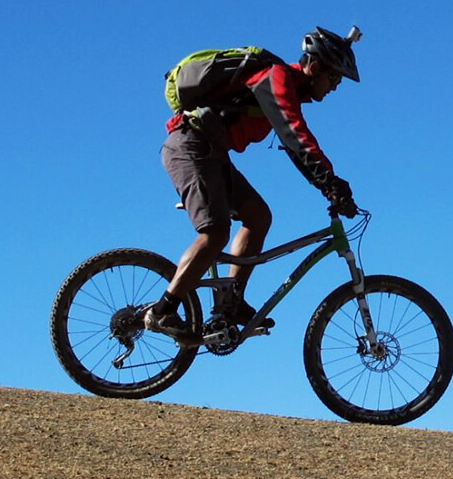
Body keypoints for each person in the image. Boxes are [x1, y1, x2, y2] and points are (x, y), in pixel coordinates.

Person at [143, 26, 363, 344]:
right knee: (216, 232)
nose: (335, 87)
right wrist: (330, 180)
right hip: (190, 146)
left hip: (211, 154)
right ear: (315, 67)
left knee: (258, 216)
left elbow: (294, 147)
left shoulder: (286, 89)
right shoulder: (277, 78)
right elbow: (294, 133)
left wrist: (327, 186)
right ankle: (163, 310)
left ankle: (229, 305)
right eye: (335, 78)